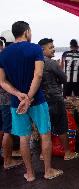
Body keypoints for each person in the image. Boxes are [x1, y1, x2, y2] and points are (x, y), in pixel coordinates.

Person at [0, 21, 63, 182]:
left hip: (16, 102)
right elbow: (38, 75)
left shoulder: (4, 54)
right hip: (37, 100)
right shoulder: (35, 48)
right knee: (45, 134)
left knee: (23, 137)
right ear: (26, 32)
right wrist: (28, 97)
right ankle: (48, 171)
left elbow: (2, 81)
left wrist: (19, 95)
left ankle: (30, 174)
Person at [38, 38, 79, 160]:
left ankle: (43, 154)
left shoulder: (35, 63)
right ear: (42, 49)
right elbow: (64, 78)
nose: (54, 49)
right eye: (50, 47)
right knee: (62, 126)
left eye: (53, 46)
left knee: (45, 128)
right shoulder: (51, 63)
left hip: (42, 99)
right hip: (55, 99)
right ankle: (67, 152)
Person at [0, 30, 23, 170]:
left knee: (2, 128)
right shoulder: (8, 57)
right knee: (8, 129)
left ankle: (9, 154)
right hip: (7, 99)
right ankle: (8, 160)